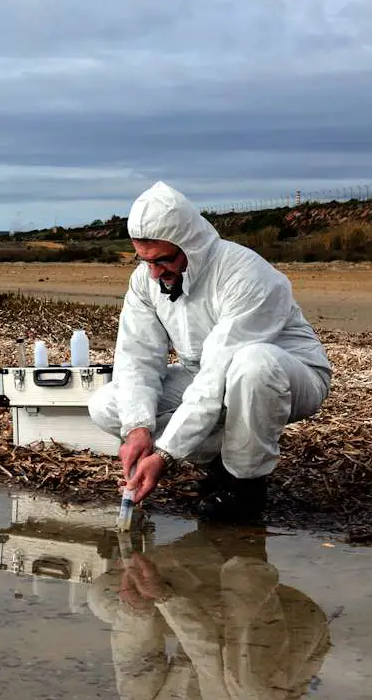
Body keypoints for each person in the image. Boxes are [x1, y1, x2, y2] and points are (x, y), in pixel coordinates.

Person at [88, 181, 332, 522]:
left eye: (163, 261)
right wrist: (138, 430)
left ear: (191, 245)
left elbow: (219, 370)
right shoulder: (146, 280)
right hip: (201, 371)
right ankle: (222, 463)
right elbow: (137, 358)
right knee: (108, 405)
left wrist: (165, 455)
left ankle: (246, 485)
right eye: (145, 261)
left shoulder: (244, 273)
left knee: (252, 366)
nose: (155, 273)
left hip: (288, 371)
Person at [86, 523, 332, 699]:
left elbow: (136, 663)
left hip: (220, 626)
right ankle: (248, 554)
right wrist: (164, 597)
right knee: (247, 690)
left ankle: (216, 540)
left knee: (104, 597)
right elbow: (207, 654)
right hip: (290, 625)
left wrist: (137, 608)